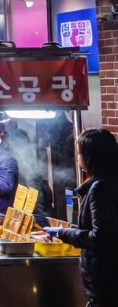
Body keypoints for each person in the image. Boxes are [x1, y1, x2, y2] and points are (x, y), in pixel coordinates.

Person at [46, 128, 118, 306]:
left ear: (91, 157)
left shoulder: (100, 188)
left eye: (80, 153)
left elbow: (100, 237)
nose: (77, 157)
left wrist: (62, 233)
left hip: (106, 282)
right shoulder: (107, 182)